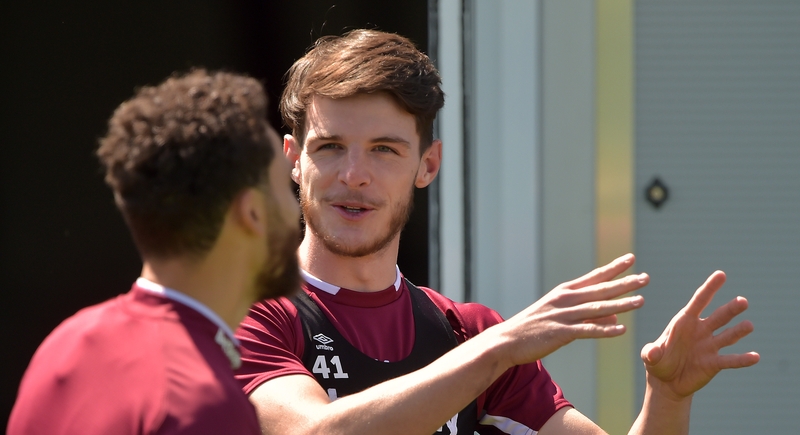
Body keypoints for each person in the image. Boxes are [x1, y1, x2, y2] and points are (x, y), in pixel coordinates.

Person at [235, 30, 760, 435]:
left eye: (384, 149)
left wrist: (667, 397)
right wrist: (499, 349)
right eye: (329, 147)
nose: (354, 175)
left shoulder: (469, 332)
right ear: (293, 160)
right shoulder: (242, 312)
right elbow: (312, 430)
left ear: (428, 165)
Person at [7, 69, 301, 435]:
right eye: (286, 190)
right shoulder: (204, 405)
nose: (296, 214)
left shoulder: (65, 345)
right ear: (252, 213)